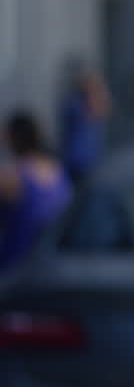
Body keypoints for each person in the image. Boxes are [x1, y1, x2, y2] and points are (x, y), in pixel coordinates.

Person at [1, 110, 74, 273]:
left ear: (14, 138)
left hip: (16, 267)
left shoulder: (14, 178)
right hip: (50, 265)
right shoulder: (58, 171)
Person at [58, 57, 112, 183]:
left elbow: (104, 109)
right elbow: (94, 112)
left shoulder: (93, 105)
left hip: (90, 162)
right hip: (74, 162)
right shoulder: (75, 104)